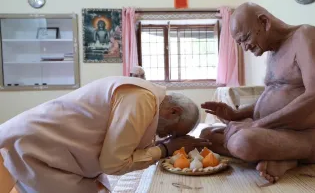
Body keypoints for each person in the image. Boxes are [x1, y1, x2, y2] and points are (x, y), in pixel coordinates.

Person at [200, 2, 315, 183]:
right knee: (207, 136)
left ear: (264, 22)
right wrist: (237, 114)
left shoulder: (304, 35)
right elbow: (276, 97)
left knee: (241, 142)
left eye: (245, 38)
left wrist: (257, 125)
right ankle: (284, 157)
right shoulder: (272, 51)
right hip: (279, 132)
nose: (245, 48)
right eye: (239, 43)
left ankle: (294, 155)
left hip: (310, 135)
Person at [0, 76, 210, 193]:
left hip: (43, 145)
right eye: (172, 132)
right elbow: (113, 164)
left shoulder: (146, 96)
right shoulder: (142, 100)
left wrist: (163, 147)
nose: (164, 135)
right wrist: (164, 149)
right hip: (34, 147)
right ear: (173, 111)